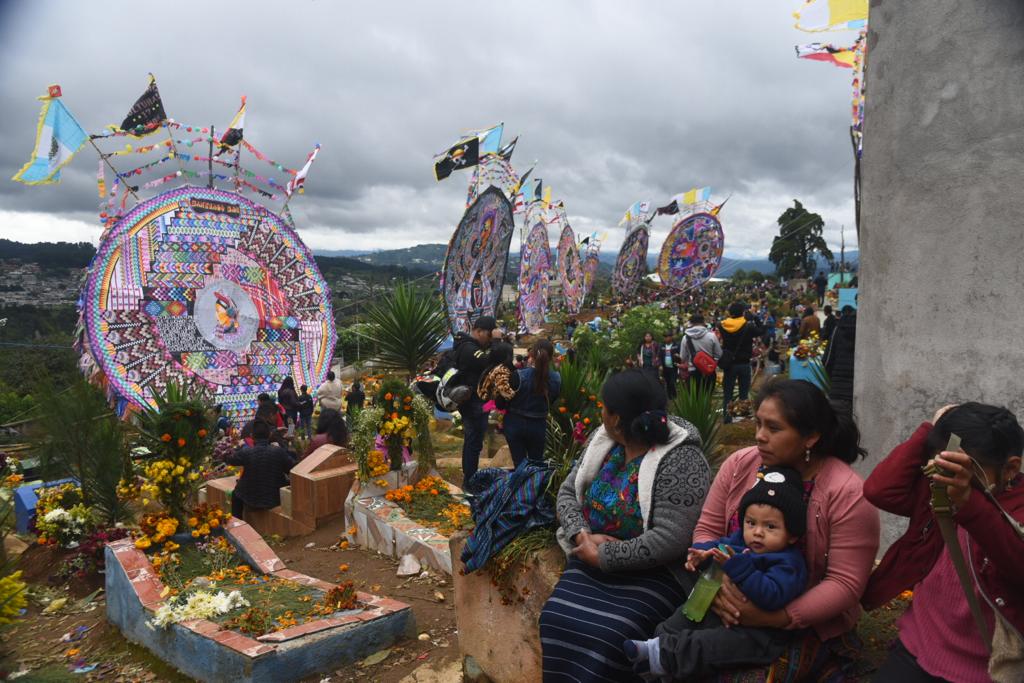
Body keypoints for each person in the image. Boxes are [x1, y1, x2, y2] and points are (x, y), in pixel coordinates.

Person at [692, 378, 879, 679]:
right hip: (727, 601)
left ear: (810, 437)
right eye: (758, 424)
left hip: (805, 621)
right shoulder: (740, 466)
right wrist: (716, 590)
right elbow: (707, 531)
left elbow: (844, 583)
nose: (759, 437)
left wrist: (777, 617)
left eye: (774, 428)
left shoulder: (847, 493)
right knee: (672, 652)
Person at [539, 369, 711, 681]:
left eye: (603, 407)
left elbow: (673, 537)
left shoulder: (682, 459)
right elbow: (568, 492)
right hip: (590, 556)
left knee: (612, 633)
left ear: (616, 417)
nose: (599, 412)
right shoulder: (604, 442)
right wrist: (584, 536)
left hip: (654, 573)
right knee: (555, 618)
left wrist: (606, 556)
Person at [864, 403, 1024, 683]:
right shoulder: (940, 484)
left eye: (967, 467)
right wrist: (930, 428)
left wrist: (969, 504)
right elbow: (880, 491)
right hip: (917, 646)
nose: (951, 476)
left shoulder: (1015, 506)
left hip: (986, 666)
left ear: (1010, 469)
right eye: (943, 463)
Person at [625, 466, 810, 680]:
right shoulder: (741, 540)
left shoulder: (788, 562)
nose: (757, 532)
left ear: (792, 535)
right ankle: (655, 654)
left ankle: (661, 659)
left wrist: (740, 568)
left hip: (759, 633)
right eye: (751, 523)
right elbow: (720, 546)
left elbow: (771, 595)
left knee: (708, 644)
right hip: (720, 613)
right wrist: (703, 554)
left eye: (770, 527)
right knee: (676, 622)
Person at [225, 420, 299, 519]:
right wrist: (287, 445)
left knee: (236, 494)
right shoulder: (278, 451)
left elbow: (230, 460)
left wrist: (238, 447)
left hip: (249, 498)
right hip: (274, 498)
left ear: (252, 436)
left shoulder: (246, 451)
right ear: (269, 434)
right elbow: (293, 468)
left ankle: (237, 523)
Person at [504, 339, 560, 466]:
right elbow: (552, 399)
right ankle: (534, 485)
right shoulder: (556, 379)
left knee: (519, 465)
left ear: (532, 355)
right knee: (536, 465)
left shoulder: (518, 375)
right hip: (538, 426)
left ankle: (519, 485)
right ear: (551, 358)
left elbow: (505, 399)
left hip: (514, 424)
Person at [453, 315, 496, 482]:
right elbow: (489, 362)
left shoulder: (471, 346)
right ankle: (469, 480)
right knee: (473, 441)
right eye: (489, 334)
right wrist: (498, 343)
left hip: (479, 403)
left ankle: (470, 476)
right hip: (473, 404)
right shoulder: (469, 348)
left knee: (475, 442)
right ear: (478, 331)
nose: (490, 339)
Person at [718, 302, 764, 424]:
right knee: (744, 392)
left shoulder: (722, 325)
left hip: (730, 364)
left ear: (730, 313)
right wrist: (755, 317)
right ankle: (742, 416)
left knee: (727, 392)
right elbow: (762, 330)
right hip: (744, 363)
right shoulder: (748, 326)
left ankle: (727, 417)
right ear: (743, 312)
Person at [680, 313, 722, 395]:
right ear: (703, 322)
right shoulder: (711, 336)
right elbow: (719, 354)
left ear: (690, 323)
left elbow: (683, 357)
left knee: (694, 398)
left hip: (693, 373)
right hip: (709, 372)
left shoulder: (685, 338)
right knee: (707, 397)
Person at [823, 305, 856, 406]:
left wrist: (833, 378)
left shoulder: (837, 330)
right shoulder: (863, 331)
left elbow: (827, 360)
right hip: (858, 391)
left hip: (838, 391)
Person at [476, 342, 518, 408]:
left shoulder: (492, 366)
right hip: (494, 406)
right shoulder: (502, 369)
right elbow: (504, 390)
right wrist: (518, 396)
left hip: (485, 403)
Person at [661, 330, 681, 400]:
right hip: (665, 367)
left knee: (672, 382)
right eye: (665, 337)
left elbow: (681, 355)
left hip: (674, 367)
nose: (666, 338)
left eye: (668, 337)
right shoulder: (662, 346)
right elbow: (660, 355)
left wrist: (678, 356)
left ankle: (674, 396)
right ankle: (670, 397)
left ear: (671, 337)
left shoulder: (677, 345)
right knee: (668, 382)